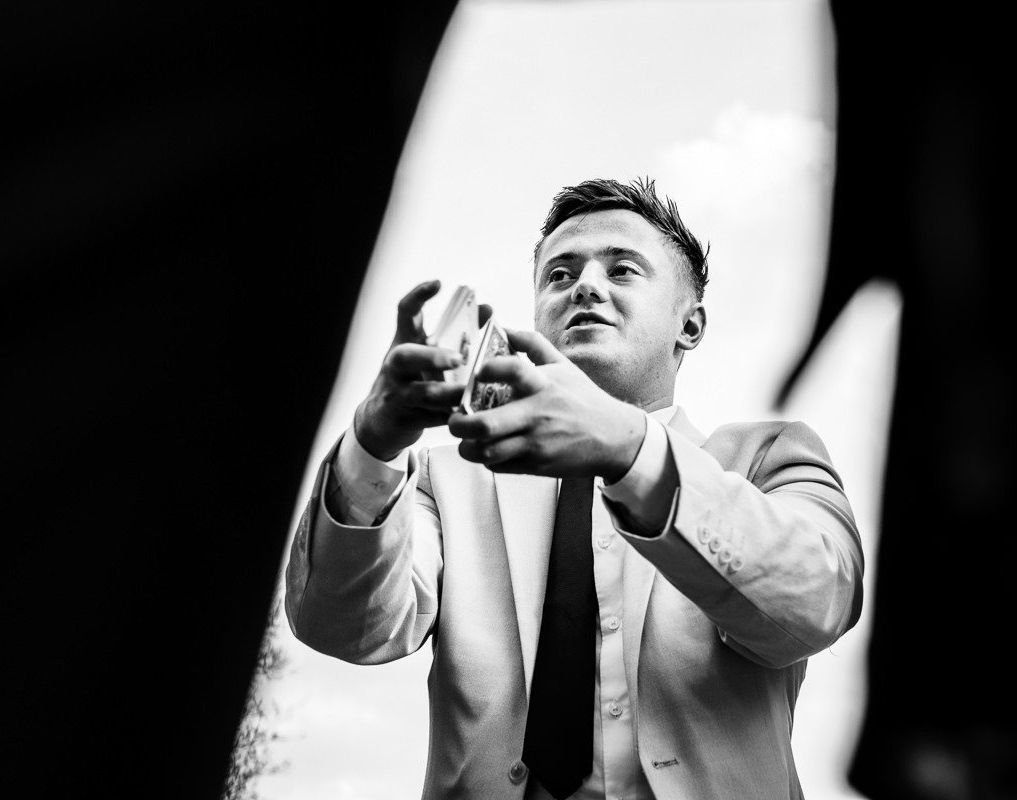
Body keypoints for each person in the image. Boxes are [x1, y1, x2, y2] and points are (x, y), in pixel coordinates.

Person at [284, 177, 865, 799]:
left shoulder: (768, 459)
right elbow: (342, 626)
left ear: (689, 326)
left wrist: (628, 448)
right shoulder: (445, 478)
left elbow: (817, 604)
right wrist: (373, 444)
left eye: (623, 270)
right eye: (559, 275)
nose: (585, 285)